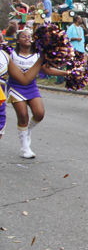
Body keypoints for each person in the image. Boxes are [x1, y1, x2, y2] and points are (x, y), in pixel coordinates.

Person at [6, 29, 66, 158]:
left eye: (29, 36)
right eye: (23, 36)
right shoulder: (11, 54)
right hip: (16, 87)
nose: (27, 38)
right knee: (23, 116)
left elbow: (47, 70)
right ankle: (25, 148)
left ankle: (27, 130)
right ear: (17, 40)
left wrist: (66, 73)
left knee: (39, 114)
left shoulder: (37, 55)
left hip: (31, 87)